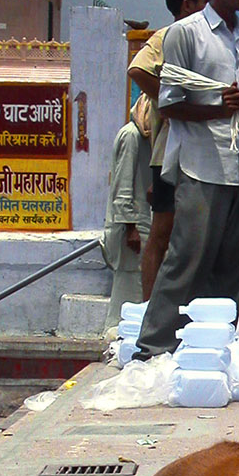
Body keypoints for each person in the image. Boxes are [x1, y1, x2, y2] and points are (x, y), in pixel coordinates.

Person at [134, 0, 239, 359]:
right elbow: (169, 106)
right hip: (202, 164)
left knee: (237, 264)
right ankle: (153, 346)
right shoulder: (186, 34)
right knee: (188, 257)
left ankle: (212, 345)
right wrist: (214, 109)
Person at [127, 0, 211, 298]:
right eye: (204, 4)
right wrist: (168, 101)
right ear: (187, 6)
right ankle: (149, 305)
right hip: (169, 151)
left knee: (193, 234)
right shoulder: (167, 36)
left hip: (204, 150)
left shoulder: (207, 39)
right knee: (162, 231)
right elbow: (137, 70)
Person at [102, 97, 152, 326]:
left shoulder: (149, 139)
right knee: (127, 297)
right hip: (131, 229)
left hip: (145, 225)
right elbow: (123, 184)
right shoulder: (131, 136)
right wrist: (130, 227)